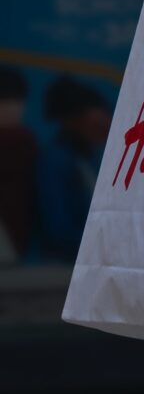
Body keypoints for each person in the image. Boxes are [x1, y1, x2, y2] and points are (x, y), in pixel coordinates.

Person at [29, 76, 111, 264]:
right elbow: (58, 229)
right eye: (98, 125)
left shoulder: (87, 159)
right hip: (63, 265)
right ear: (74, 120)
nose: (105, 129)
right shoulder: (56, 161)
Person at [0, 67, 38, 263]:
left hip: (21, 248)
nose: (13, 108)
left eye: (17, 101)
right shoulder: (25, 142)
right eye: (5, 101)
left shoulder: (26, 143)